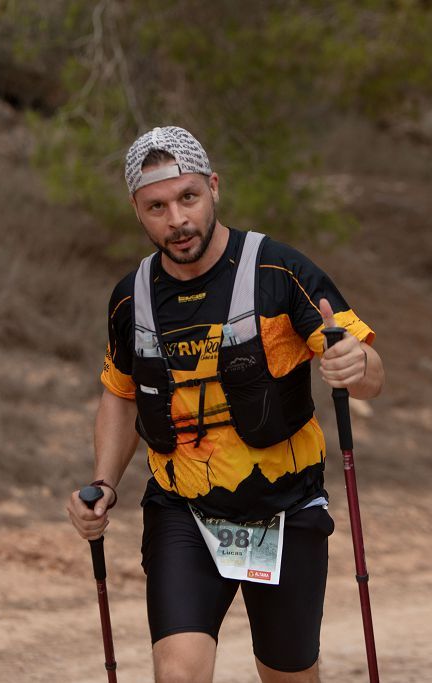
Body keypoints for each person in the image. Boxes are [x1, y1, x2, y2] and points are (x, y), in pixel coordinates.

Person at [67, 126, 383, 683]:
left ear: (213, 187)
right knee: (179, 674)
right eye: (156, 207)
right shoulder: (130, 297)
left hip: (285, 510)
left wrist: (356, 366)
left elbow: (368, 372)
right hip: (182, 512)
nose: (176, 220)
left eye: (187, 198)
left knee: (287, 676)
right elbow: (120, 396)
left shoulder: (279, 272)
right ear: (137, 213)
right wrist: (105, 485)